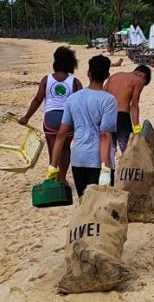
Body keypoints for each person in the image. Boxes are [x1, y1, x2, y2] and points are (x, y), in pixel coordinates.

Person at [48, 55, 118, 198]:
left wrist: (53, 166)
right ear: (107, 76)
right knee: (100, 209)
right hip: (98, 161)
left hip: (78, 159)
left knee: (84, 205)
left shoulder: (73, 98)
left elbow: (61, 134)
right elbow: (105, 134)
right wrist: (105, 168)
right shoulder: (109, 100)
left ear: (88, 73)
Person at [19, 46, 82, 183]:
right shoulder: (75, 82)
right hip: (68, 120)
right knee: (65, 148)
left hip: (51, 119)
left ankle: (54, 175)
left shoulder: (46, 80)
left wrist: (26, 117)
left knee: (53, 149)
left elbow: (37, 100)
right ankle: (63, 178)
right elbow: (80, 104)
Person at [104, 65, 152, 153]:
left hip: (107, 114)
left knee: (109, 150)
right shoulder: (138, 80)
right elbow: (134, 105)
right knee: (127, 149)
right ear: (142, 75)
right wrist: (137, 128)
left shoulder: (115, 76)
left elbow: (102, 94)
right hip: (122, 116)